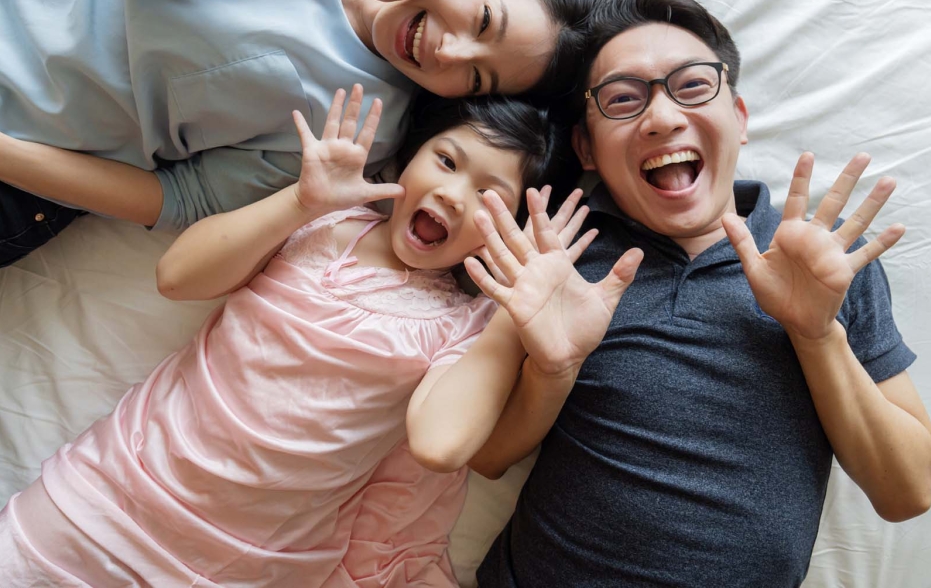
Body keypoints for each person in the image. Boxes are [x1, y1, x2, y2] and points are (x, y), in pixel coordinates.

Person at [0, 85, 639, 587]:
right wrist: (302, 202)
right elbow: (177, 276)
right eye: (445, 160)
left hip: (242, 567)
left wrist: (509, 308)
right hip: (102, 500)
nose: (450, 193)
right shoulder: (325, 227)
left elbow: (445, 448)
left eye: (490, 198)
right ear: (413, 153)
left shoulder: (468, 327)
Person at [464, 0, 931, 587]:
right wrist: (549, 370)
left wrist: (816, 334)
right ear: (585, 146)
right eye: (622, 99)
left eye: (692, 86)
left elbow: (906, 494)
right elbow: (487, 457)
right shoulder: (565, 258)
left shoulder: (830, 258)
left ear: (738, 119)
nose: (663, 118)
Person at [0, 0, 603, 267]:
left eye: (475, 78)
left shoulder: (362, 130)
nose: (448, 52)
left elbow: (180, 202)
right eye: (483, 20)